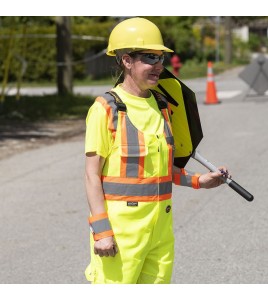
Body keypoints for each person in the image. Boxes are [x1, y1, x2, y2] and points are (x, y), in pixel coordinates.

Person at [84, 17, 230, 284]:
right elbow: (92, 176)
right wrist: (102, 231)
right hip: (122, 234)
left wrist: (200, 181)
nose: (158, 65)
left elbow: (161, 172)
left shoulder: (162, 105)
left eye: (161, 57)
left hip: (160, 232)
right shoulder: (105, 108)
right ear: (127, 60)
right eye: (150, 57)